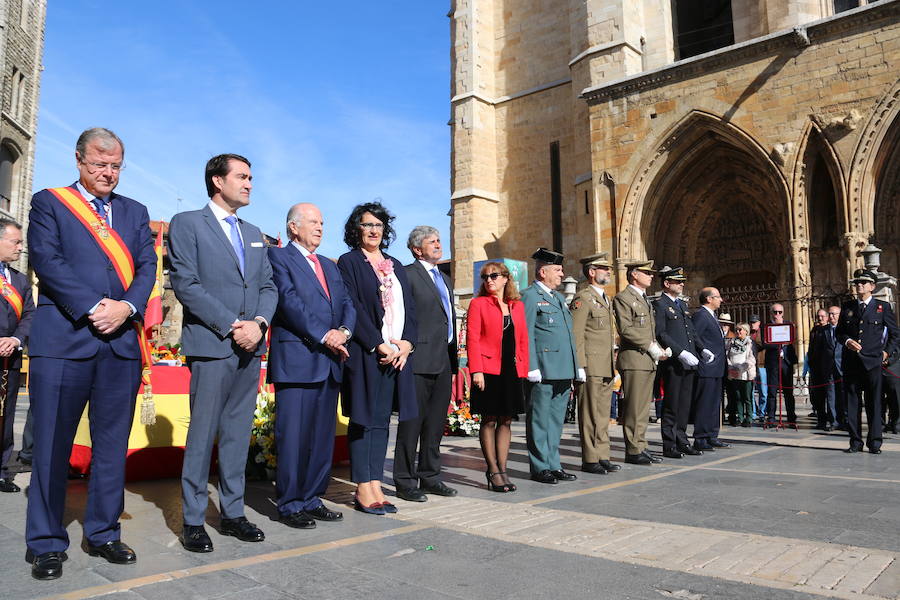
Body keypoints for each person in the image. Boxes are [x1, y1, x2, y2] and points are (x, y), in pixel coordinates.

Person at [25, 128, 156, 579]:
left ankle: (104, 533)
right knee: (51, 447)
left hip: (119, 346)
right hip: (64, 341)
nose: (108, 173)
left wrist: (126, 307)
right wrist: (93, 306)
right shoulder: (50, 202)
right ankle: (45, 541)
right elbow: (47, 259)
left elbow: (146, 267)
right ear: (79, 161)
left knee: (111, 447)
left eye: (116, 165)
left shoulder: (135, 212)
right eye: (100, 164)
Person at [168, 154, 277, 552]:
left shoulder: (254, 231)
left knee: (237, 435)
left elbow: (269, 286)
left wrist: (260, 324)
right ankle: (194, 519)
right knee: (203, 435)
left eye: (251, 177)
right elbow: (186, 282)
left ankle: (232, 513)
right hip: (214, 346)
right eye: (242, 177)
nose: (250, 183)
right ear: (217, 180)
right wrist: (234, 325)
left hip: (251, 348)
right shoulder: (188, 224)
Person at [267, 203, 356, 528]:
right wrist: (324, 335)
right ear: (293, 227)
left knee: (321, 439)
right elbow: (289, 302)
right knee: (293, 437)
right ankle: (290, 503)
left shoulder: (329, 266)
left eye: (322, 222)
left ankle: (312, 497)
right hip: (298, 360)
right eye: (313, 222)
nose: (320, 227)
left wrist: (344, 332)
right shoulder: (278, 257)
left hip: (330, 361)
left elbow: (347, 303)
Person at [338, 202, 417, 514]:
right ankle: (362, 487)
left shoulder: (395, 263)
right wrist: (377, 344)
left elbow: (409, 306)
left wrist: (407, 343)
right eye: (368, 225)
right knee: (363, 420)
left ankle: (375, 483)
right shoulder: (349, 261)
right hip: (367, 354)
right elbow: (352, 306)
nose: (373, 231)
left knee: (383, 421)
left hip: (397, 354)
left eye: (379, 226)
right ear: (357, 229)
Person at [394, 226, 459, 502]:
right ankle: (405, 480)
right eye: (431, 242)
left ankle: (430, 476)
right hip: (417, 359)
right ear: (417, 249)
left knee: (435, 425)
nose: (438, 244)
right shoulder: (407, 275)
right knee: (411, 424)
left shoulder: (444, 278)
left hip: (444, 359)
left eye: (439, 240)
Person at [521, 248, 581, 483]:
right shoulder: (530, 296)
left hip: (563, 368)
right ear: (542, 271)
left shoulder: (557, 298)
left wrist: (577, 367)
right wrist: (531, 366)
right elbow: (525, 334)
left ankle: (553, 463)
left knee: (556, 420)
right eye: (557, 270)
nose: (562, 274)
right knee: (539, 419)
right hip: (543, 369)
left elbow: (567, 334)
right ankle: (539, 466)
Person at [466, 261, 528, 491]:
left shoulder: (517, 306)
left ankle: (503, 469)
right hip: (488, 370)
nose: (489, 280)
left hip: (511, 370)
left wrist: (524, 370)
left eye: (493, 276)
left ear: (505, 278)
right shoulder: (478, 304)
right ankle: (492, 470)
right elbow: (472, 338)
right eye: (485, 277)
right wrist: (477, 370)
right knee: (489, 419)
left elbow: (522, 340)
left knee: (506, 420)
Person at [836, 269, 899, 454]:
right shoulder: (847, 307)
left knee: (874, 403)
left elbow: (895, 334)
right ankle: (855, 442)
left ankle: (875, 442)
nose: (859, 286)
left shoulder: (882, 307)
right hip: (852, 364)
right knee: (852, 403)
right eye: (857, 283)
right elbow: (839, 332)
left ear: (872, 286)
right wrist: (847, 341)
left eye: (863, 283)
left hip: (873, 363)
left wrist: (886, 353)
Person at [571, 254, 623, 473]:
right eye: (604, 269)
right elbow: (576, 335)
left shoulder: (604, 298)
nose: (609, 272)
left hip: (605, 366)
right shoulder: (583, 298)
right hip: (590, 366)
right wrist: (579, 366)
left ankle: (602, 455)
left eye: (610, 269)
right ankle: (590, 458)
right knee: (590, 414)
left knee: (603, 415)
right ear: (591, 272)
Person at [613, 261, 668, 465]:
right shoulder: (623, 298)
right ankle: (633, 449)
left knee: (644, 408)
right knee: (635, 407)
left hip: (647, 359)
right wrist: (649, 345)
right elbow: (626, 329)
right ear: (634, 275)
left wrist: (657, 348)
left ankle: (641, 445)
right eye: (646, 273)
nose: (651, 276)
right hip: (635, 359)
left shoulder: (644, 299)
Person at [653, 266, 703, 459]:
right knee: (672, 404)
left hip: (688, 361)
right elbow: (661, 333)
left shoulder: (681, 305)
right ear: (667, 283)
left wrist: (701, 349)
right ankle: (669, 444)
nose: (682, 284)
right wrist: (680, 353)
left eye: (682, 281)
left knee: (684, 405)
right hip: (675, 362)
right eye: (677, 281)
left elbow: (690, 332)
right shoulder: (660, 304)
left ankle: (682, 440)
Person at [0, 220, 34, 493]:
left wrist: (15, 339)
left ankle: (1, 470)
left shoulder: (20, 281)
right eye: (16, 242)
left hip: (9, 359)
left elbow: (30, 315)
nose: (21, 248)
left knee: (5, 415)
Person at [691, 287, 729, 451]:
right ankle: (700, 438)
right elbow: (694, 336)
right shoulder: (701, 315)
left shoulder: (712, 316)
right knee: (705, 404)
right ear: (709, 299)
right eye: (718, 297)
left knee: (715, 404)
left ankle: (712, 435)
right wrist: (702, 354)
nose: (721, 300)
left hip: (717, 368)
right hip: (706, 367)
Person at [762, 303, 798, 426]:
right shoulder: (766, 326)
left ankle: (791, 417)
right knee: (772, 392)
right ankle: (771, 417)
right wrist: (778, 343)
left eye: (780, 312)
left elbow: (793, 341)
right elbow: (765, 343)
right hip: (773, 363)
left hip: (786, 362)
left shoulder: (788, 325)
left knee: (788, 392)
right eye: (775, 312)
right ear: (771, 313)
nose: (777, 315)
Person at [807, 307, 841, 431]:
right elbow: (813, 349)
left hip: (836, 367)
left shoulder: (839, 328)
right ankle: (827, 420)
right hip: (820, 368)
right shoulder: (816, 330)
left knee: (839, 395)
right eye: (818, 316)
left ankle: (840, 420)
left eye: (823, 316)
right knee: (823, 396)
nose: (820, 318)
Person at [726, 323, 756, 427]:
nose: (738, 332)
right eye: (737, 330)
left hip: (745, 373)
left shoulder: (750, 343)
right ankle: (740, 417)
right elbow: (727, 356)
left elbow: (752, 358)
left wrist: (742, 367)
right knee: (737, 397)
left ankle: (749, 417)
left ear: (746, 331)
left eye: (741, 330)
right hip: (734, 373)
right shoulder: (731, 343)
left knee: (747, 397)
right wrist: (730, 366)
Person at [749, 314, 767, 422]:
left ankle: (762, 412)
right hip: (751, 365)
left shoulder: (763, 333)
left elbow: (764, 345)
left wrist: (753, 344)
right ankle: (753, 412)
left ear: (759, 322)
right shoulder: (748, 333)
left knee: (763, 391)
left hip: (762, 364)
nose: (752, 324)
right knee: (751, 391)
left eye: (754, 322)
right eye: (751, 322)